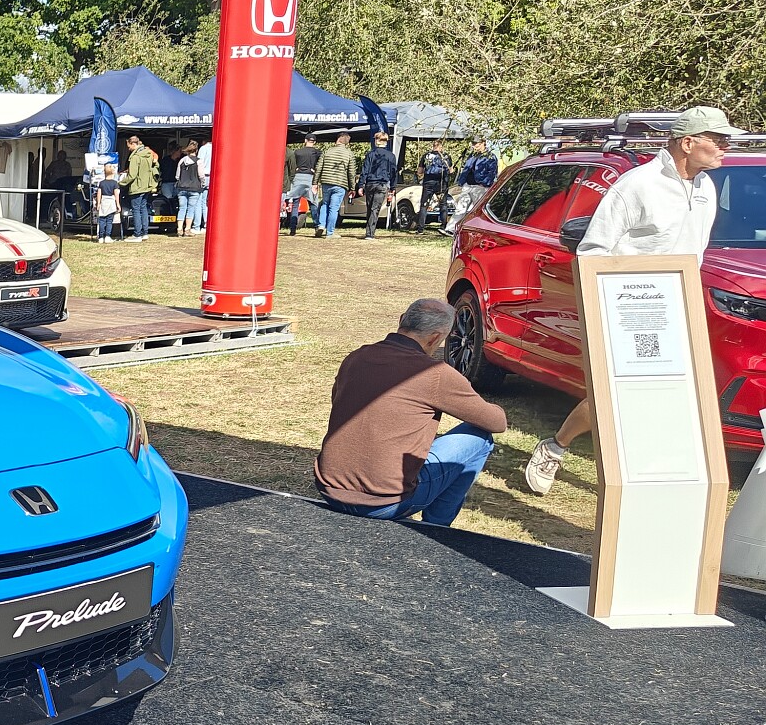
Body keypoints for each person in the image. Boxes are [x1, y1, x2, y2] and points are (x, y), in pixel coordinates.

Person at [522, 105, 743, 495]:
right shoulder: (637, 184)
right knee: (615, 395)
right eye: (718, 139)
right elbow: (593, 250)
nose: (726, 146)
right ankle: (555, 447)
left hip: (678, 309)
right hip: (630, 308)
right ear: (687, 143)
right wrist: (614, 304)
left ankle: (646, 476)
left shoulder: (706, 187)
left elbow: (694, 255)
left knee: (669, 393)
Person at [316, 298, 509, 525]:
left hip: (329, 490)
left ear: (402, 320)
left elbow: (341, 403)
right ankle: (437, 527)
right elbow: (497, 423)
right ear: (436, 338)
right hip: (386, 503)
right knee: (480, 439)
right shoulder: (435, 374)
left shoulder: (356, 357)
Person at [444, 138, 499, 235]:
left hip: (480, 187)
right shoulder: (472, 155)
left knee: (479, 210)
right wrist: (461, 181)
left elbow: (492, 172)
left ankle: (481, 230)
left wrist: (485, 183)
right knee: (461, 207)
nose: (474, 146)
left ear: (483, 143)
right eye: (473, 143)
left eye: (477, 144)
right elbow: (466, 169)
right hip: (468, 185)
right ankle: (451, 229)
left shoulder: (490, 156)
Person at [358, 131, 399, 239]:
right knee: (375, 208)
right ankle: (370, 233)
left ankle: (369, 232)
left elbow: (365, 170)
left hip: (370, 183)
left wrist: (361, 185)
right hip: (382, 184)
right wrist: (393, 187)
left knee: (370, 208)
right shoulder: (391, 156)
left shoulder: (370, 154)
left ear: (377, 140)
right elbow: (394, 172)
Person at [315, 133, 356, 238]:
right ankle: (330, 233)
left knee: (325, 203)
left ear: (337, 140)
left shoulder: (327, 151)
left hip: (326, 181)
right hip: (340, 183)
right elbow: (351, 172)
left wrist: (315, 182)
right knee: (334, 208)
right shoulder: (349, 154)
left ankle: (321, 225)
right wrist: (352, 188)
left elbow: (319, 167)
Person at [120, 134, 158, 242]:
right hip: (146, 186)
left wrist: (121, 183)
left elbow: (132, 175)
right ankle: (145, 233)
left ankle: (137, 234)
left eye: (129, 146)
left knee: (136, 210)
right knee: (143, 209)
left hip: (137, 187)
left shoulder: (135, 157)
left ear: (133, 144)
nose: (128, 149)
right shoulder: (148, 154)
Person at [285, 135, 321, 234]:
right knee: (313, 203)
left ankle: (293, 228)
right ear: (315, 142)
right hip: (311, 177)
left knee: (295, 203)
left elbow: (292, 166)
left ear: (305, 140)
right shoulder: (318, 153)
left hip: (298, 177)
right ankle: (317, 226)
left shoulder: (297, 152)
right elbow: (320, 165)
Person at [414, 139, 452, 232]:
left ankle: (421, 228)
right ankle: (443, 226)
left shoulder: (426, 156)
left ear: (433, 146)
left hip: (428, 183)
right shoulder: (446, 156)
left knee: (424, 205)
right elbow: (451, 171)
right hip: (441, 183)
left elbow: (420, 171)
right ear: (441, 147)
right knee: (443, 204)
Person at [175, 141, 206, 237]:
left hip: (182, 187)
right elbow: (201, 175)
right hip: (194, 188)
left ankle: (179, 228)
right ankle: (187, 229)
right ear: (196, 150)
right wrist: (202, 184)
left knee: (182, 208)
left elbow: (177, 176)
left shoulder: (182, 160)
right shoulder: (199, 161)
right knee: (191, 209)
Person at [93, 162, 121, 243]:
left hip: (103, 201)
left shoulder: (101, 183)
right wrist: (118, 204)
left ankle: (101, 237)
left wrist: (98, 204)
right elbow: (116, 194)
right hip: (111, 202)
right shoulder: (115, 183)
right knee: (109, 220)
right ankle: (108, 236)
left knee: (102, 220)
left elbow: (99, 194)